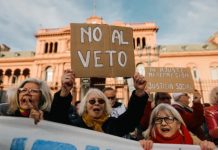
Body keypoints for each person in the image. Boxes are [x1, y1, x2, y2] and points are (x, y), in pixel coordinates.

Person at [49, 71, 149, 137]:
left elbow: (132, 117)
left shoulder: (113, 125)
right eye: (92, 101)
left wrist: (139, 92)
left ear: (105, 106)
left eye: (101, 101)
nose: (97, 103)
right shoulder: (75, 125)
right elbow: (57, 118)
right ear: (85, 106)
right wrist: (65, 91)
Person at [139, 104, 216, 150]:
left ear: (178, 124)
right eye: (158, 119)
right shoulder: (148, 144)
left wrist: (207, 146)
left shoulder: (193, 142)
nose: (163, 123)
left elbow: (204, 145)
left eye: (169, 119)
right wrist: (140, 146)